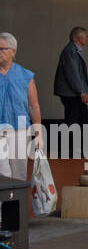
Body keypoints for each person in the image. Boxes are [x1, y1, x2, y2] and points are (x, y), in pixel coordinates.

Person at [0, 32, 40, 182]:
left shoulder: (25, 75)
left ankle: (16, 205)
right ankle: (3, 205)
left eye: (2, 48)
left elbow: (33, 106)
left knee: (19, 174)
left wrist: (38, 133)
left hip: (19, 130)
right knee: (2, 172)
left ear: (13, 52)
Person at [52, 26, 88, 126]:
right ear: (78, 38)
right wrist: (82, 92)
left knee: (81, 118)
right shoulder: (70, 51)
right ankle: (71, 141)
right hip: (71, 93)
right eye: (85, 36)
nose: (87, 38)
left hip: (73, 93)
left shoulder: (73, 50)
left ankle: (78, 140)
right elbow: (73, 74)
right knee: (74, 120)